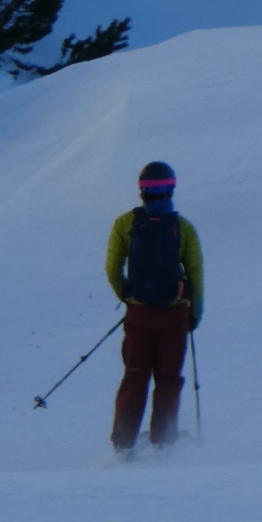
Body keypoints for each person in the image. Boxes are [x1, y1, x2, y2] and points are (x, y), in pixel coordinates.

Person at [104, 161, 205, 452]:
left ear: (141, 190)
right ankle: (164, 441)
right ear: (171, 188)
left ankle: (123, 443)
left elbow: (112, 267)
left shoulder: (124, 223)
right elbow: (195, 272)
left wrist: (127, 296)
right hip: (175, 314)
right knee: (169, 378)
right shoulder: (183, 227)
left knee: (135, 374)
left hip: (139, 314)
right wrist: (194, 312)